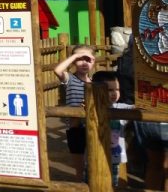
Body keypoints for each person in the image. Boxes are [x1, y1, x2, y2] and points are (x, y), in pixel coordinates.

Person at [55, 44, 96, 180]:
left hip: (92, 125)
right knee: (79, 166)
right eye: (80, 59)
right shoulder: (70, 79)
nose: (84, 63)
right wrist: (75, 56)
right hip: (75, 127)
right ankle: (80, 184)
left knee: (93, 161)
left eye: (88, 59)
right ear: (73, 61)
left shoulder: (95, 82)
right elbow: (57, 70)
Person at [92, 71, 132, 187]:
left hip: (116, 159)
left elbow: (138, 108)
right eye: (110, 90)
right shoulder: (91, 108)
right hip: (94, 157)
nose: (114, 93)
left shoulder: (121, 108)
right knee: (94, 184)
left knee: (116, 186)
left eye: (117, 89)